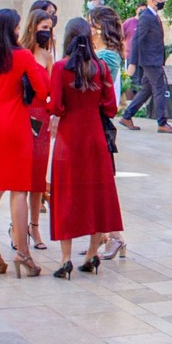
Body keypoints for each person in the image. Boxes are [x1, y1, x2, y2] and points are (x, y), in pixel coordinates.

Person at [0, 9, 50, 277]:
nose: (18, 31)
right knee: (18, 190)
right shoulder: (22, 56)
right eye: (16, 27)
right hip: (16, 125)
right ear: (10, 29)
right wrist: (19, 91)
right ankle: (23, 253)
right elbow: (43, 90)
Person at [47, 17, 123, 280]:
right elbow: (110, 107)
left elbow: (56, 107)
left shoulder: (60, 68)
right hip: (95, 138)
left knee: (66, 194)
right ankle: (92, 254)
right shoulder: (100, 67)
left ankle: (65, 258)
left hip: (69, 138)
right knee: (97, 194)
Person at [88, 4, 129, 260]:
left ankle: (115, 236)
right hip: (93, 121)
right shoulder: (101, 53)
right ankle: (102, 235)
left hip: (99, 122)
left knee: (101, 181)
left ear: (99, 27)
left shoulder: (107, 57)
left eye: (90, 23)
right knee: (94, 181)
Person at [20, 2, 59, 247]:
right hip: (21, 115)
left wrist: (55, 115)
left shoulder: (47, 57)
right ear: (32, 27)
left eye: (49, 28)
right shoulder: (19, 53)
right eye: (43, 27)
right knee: (20, 177)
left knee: (37, 177)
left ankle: (34, 227)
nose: (47, 32)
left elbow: (52, 91)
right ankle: (17, 225)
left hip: (41, 119)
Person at [120, 0, 172, 133]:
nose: (163, 1)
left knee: (146, 90)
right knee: (160, 89)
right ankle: (162, 123)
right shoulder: (146, 17)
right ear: (153, 1)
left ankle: (127, 116)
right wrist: (132, 63)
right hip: (150, 61)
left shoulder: (153, 16)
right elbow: (136, 40)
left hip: (154, 59)